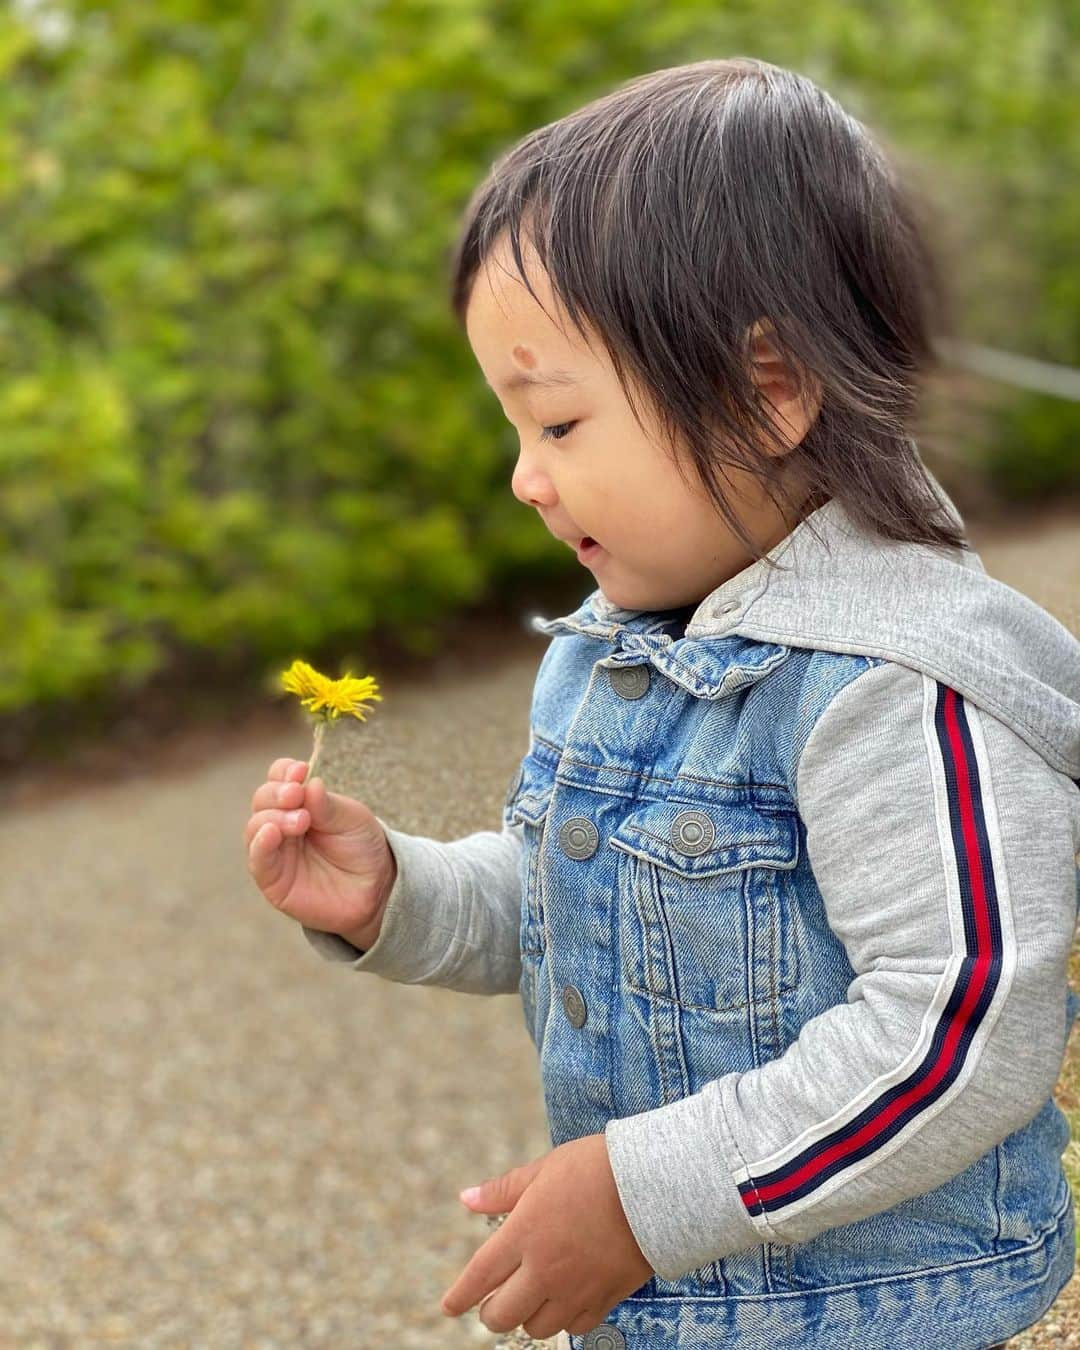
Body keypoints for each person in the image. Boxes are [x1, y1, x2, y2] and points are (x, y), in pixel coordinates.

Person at [243, 57, 1080, 1350]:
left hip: (864, 1314)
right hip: (671, 1299)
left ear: (769, 389)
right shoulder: (618, 646)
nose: (526, 478)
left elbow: (954, 1032)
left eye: (561, 423)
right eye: (515, 431)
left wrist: (641, 1199)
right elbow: (585, 909)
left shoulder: (902, 684)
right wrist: (399, 895)